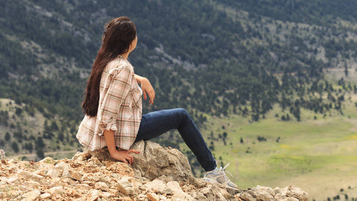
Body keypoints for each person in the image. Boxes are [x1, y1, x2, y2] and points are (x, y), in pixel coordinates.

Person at [76, 17, 237, 188]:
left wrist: (140, 79)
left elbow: (113, 78)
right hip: (121, 132)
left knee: (179, 115)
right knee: (181, 116)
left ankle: (213, 172)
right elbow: (107, 115)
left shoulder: (107, 59)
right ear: (130, 42)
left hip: (101, 129)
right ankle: (213, 172)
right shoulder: (123, 68)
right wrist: (114, 151)